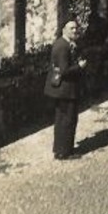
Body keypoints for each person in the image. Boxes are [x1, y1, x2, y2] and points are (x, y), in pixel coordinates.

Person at [44, 19, 87, 160]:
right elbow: (64, 71)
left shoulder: (65, 44)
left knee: (63, 119)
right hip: (65, 90)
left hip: (64, 90)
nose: (75, 31)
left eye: (76, 28)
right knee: (67, 120)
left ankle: (61, 149)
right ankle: (65, 152)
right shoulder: (63, 46)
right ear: (64, 30)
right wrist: (79, 66)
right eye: (71, 28)